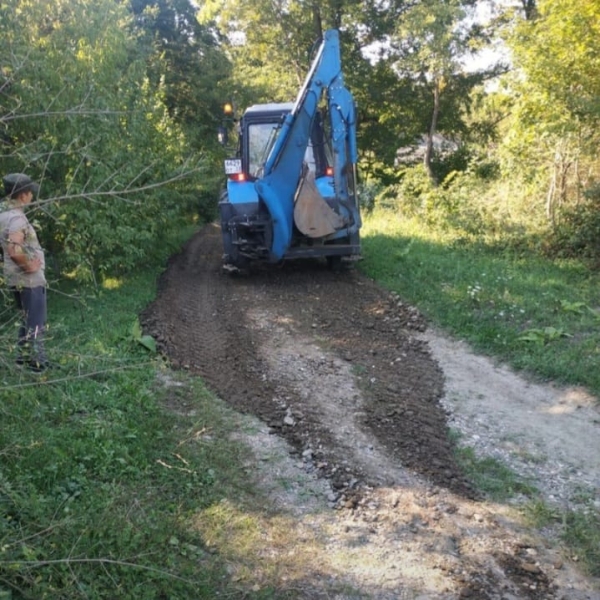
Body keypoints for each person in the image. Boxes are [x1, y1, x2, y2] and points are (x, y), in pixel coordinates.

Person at [0, 173, 50, 372]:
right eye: (30, 193)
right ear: (23, 195)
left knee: (26, 319)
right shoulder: (17, 218)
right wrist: (29, 266)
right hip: (29, 280)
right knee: (36, 322)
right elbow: (14, 249)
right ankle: (38, 365)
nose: (32, 197)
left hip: (15, 279)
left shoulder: (3, 215)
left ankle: (22, 360)